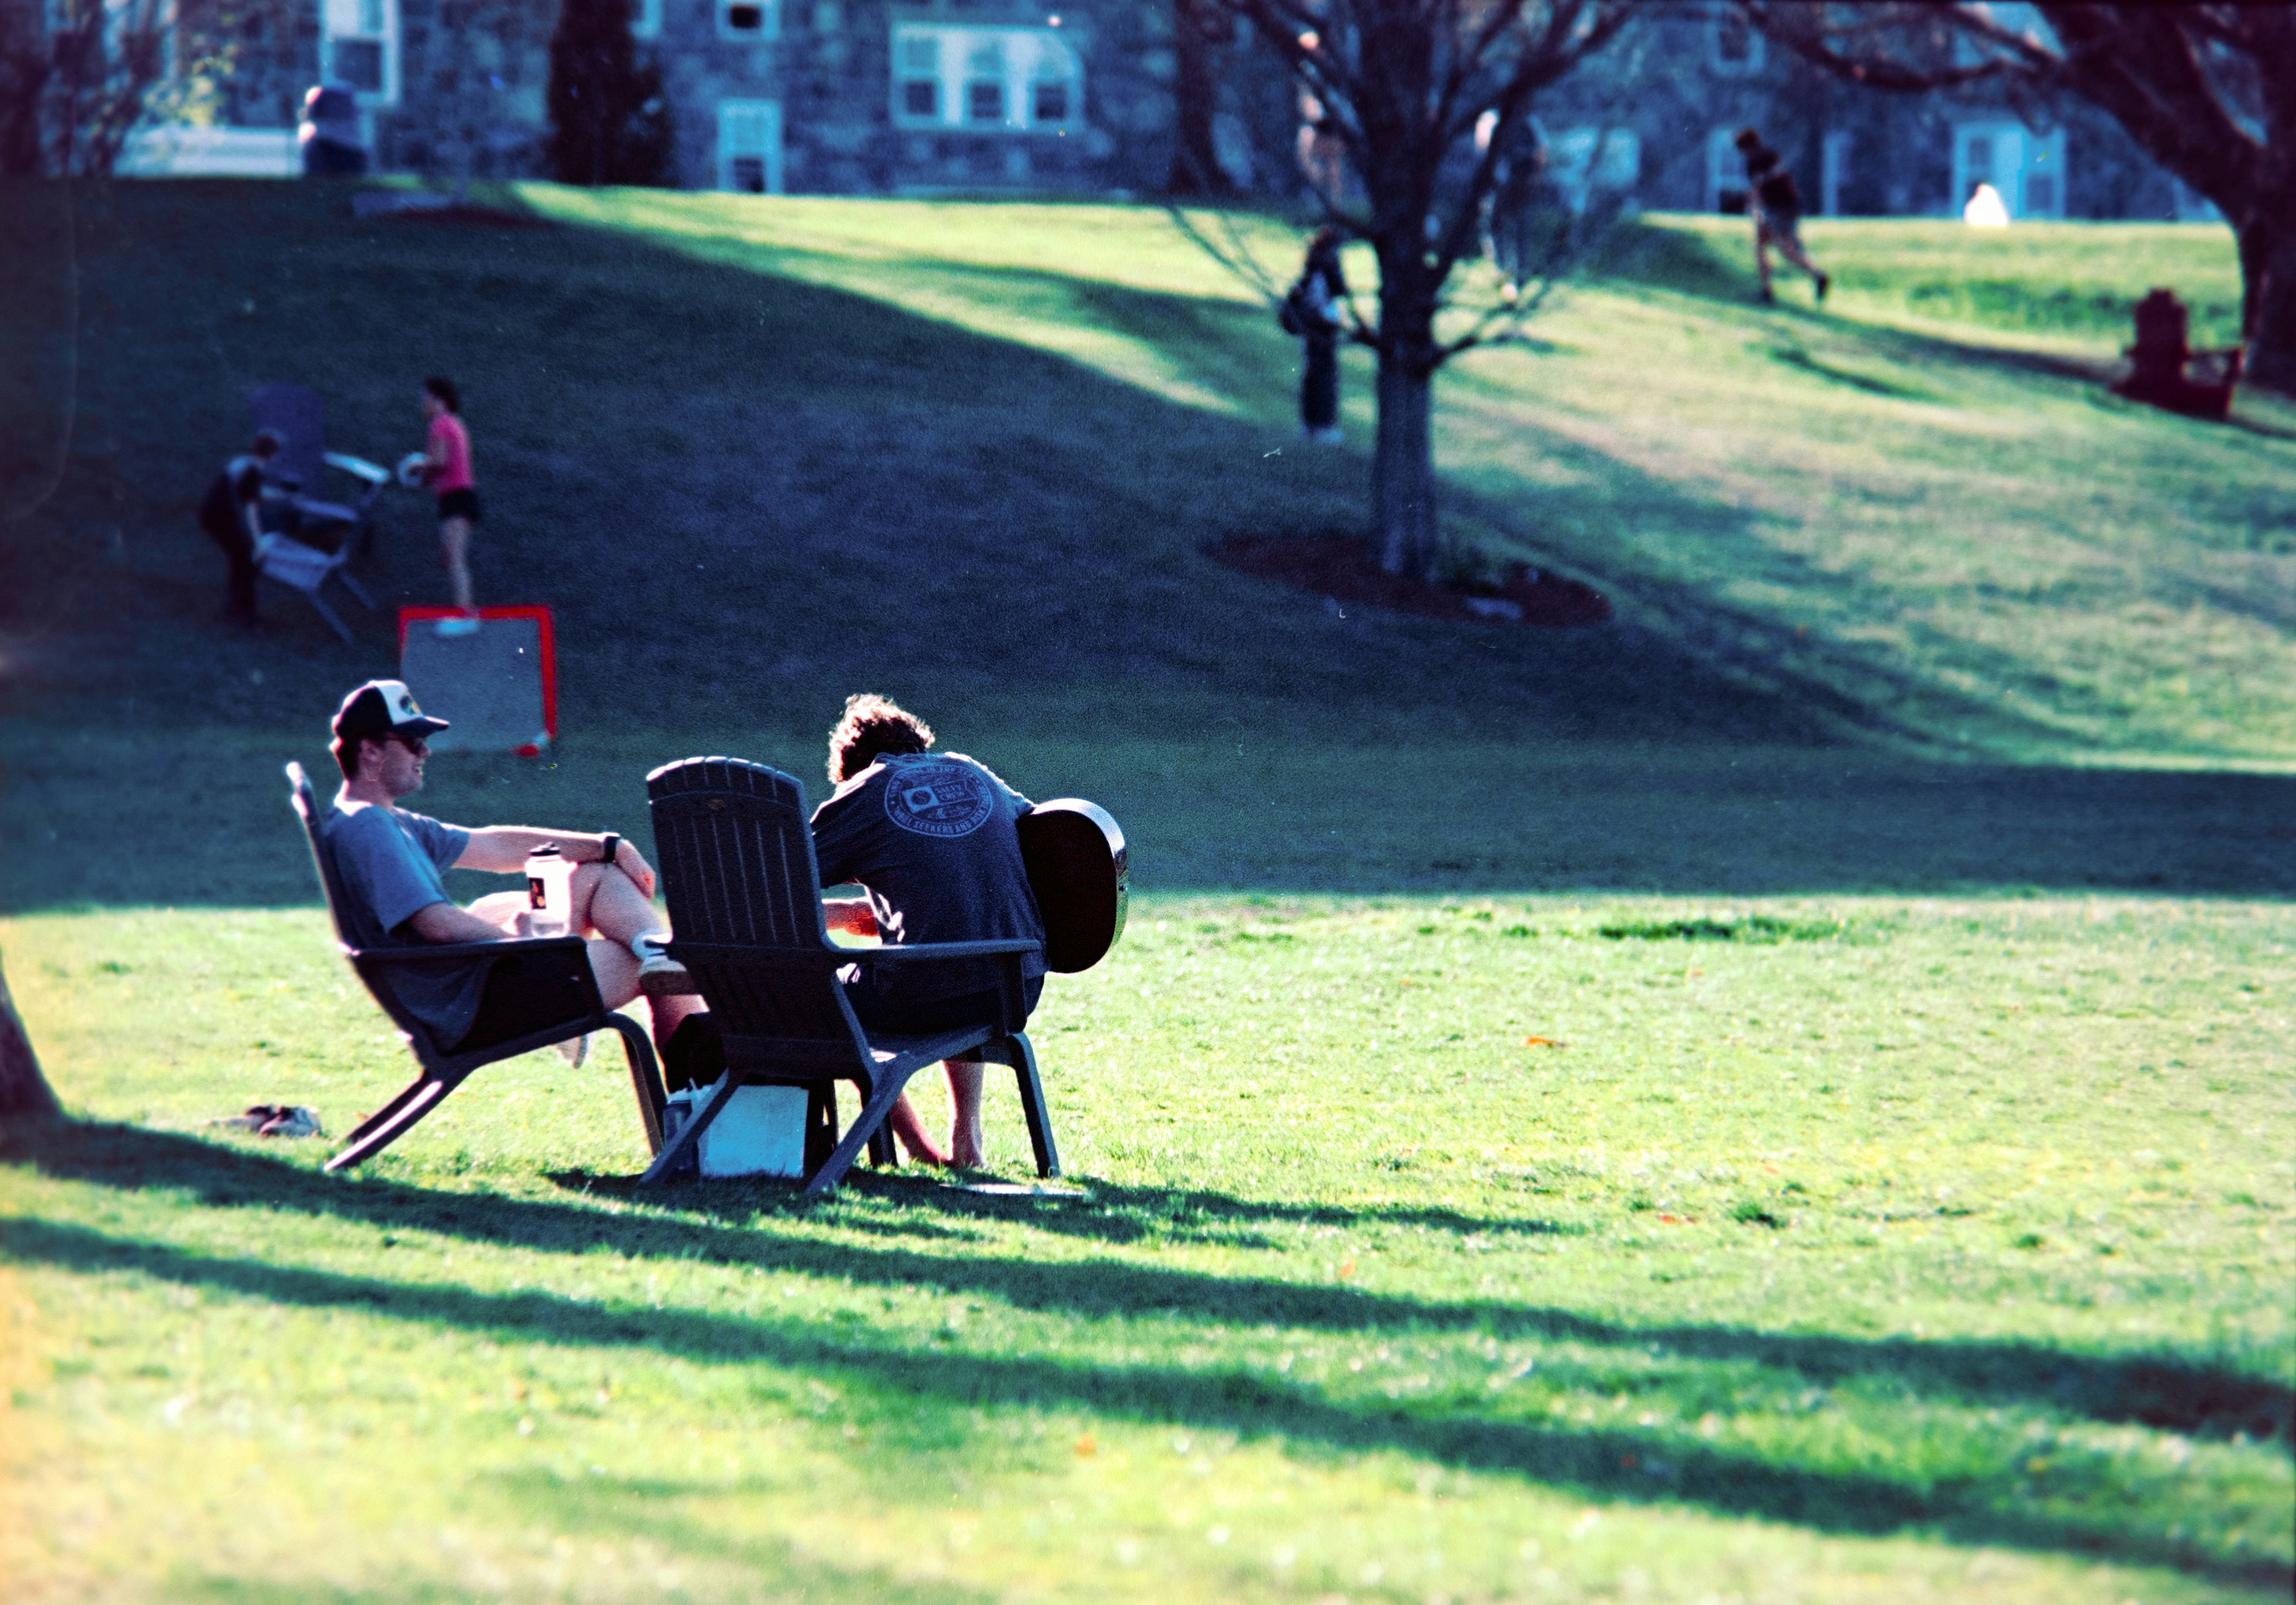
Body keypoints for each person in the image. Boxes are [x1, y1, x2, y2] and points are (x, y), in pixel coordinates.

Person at [320, 678, 698, 1061]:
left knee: (599, 874)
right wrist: (527, 947)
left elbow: (494, 845)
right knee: (644, 968)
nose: (425, 751)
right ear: (370, 751)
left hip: (468, 993)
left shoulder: (378, 820)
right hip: (469, 1005)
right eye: (412, 741)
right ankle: (696, 1084)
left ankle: (658, 952)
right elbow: (438, 924)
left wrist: (608, 846)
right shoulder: (369, 826)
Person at [813, 695, 1049, 1168]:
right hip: (1015, 982)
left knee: (819, 999)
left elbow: (777, 880)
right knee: (960, 951)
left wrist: (838, 913)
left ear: (850, 769)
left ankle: (918, 1149)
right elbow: (1042, 828)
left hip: (925, 993)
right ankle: (968, 1140)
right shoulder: (972, 772)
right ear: (917, 746)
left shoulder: (863, 791)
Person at [416, 377, 482, 636]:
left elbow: (440, 462)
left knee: (455, 559)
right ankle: (464, 610)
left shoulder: (440, 424)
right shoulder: (455, 423)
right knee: (450, 556)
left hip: (456, 498)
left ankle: (467, 616)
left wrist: (417, 469)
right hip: (457, 498)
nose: (422, 402)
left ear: (438, 400)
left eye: (425, 397)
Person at [196, 430, 281, 631]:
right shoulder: (253, 472)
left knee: (240, 560)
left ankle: (232, 610)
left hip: (210, 514)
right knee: (247, 562)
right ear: (273, 455)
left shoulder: (244, 463)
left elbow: (248, 491)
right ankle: (248, 619)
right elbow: (252, 512)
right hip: (219, 519)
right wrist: (259, 544)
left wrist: (279, 495)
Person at [1734, 128, 1829, 306]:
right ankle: (1767, 291)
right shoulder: (1769, 155)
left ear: (1746, 147)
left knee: (1786, 248)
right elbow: (1764, 186)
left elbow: (1760, 187)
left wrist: (1755, 210)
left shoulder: (1758, 160)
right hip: (1785, 205)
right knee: (1762, 244)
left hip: (1780, 207)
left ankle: (1818, 276)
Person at [1283, 228, 1348, 444]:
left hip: (1316, 328)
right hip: (1320, 327)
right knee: (1323, 376)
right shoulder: (1324, 271)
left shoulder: (1314, 270)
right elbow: (1336, 291)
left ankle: (1312, 423)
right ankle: (1322, 425)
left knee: (1315, 375)